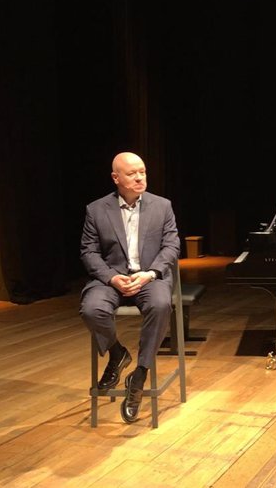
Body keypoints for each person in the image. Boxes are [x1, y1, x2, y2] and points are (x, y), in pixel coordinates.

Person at [80, 152, 180, 424]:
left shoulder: (162, 206)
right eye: (132, 173)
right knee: (91, 309)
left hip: (149, 277)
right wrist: (112, 278)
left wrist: (150, 273)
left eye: (143, 172)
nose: (139, 177)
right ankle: (116, 353)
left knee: (160, 305)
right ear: (116, 178)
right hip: (112, 278)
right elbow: (88, 252)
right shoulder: (96, 210)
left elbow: (171, 246)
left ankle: (139, 374)